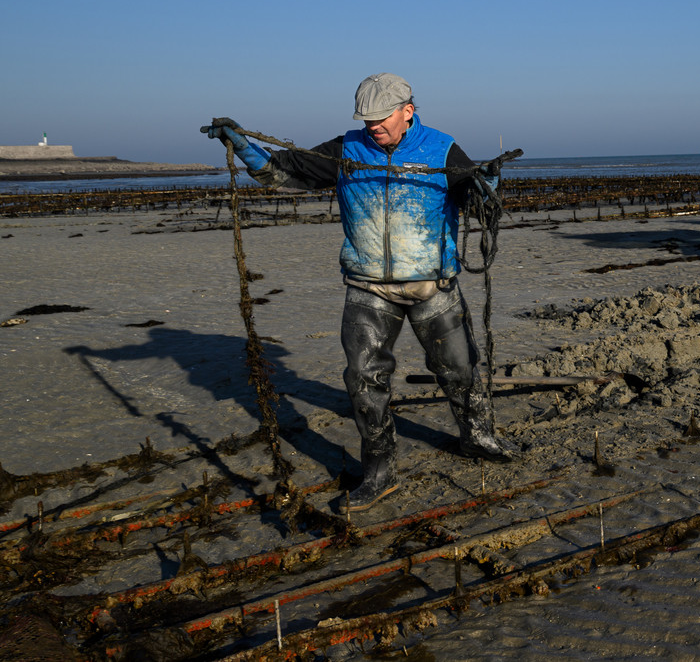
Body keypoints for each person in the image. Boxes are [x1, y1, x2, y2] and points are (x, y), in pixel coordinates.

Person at [202, 73, 520, 512]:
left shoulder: (443, 150)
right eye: (367, 119)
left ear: (408, 111)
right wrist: (241, 144)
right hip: (368, 286)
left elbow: (477, 205)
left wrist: (488, 184)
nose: (373, 126)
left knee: (460, 368)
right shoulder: (345, 150)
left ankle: (478, 437)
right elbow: (280, 172)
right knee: (364, 381)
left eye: (382, 117)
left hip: (433, 285)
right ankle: (379, 471)